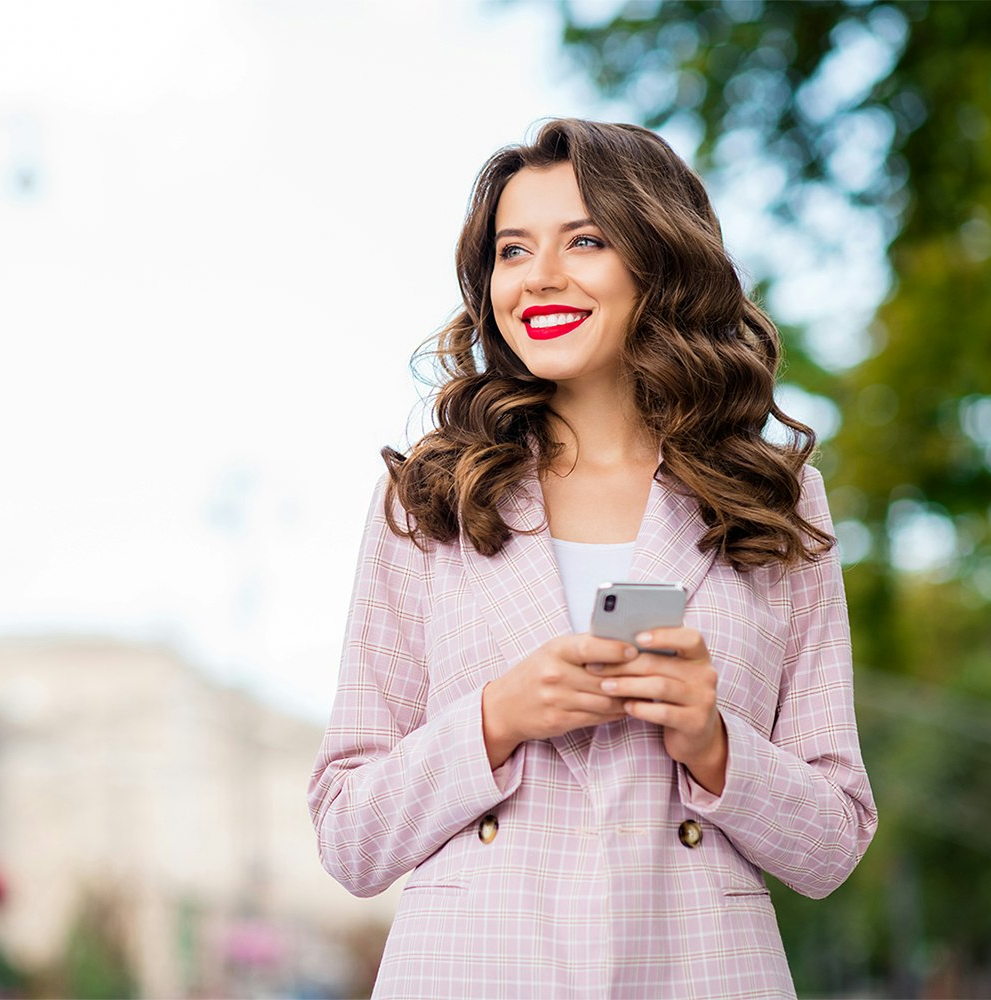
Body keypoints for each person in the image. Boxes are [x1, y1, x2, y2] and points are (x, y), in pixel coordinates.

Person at [308, 118, 877, 999]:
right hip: (474, 971)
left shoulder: (774, 499)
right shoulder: (429, 501)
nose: (539, 276)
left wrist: (713, 741)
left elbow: (835, 842)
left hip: (698, 968)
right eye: (512, 249)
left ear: (658, 258)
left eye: (585, 239)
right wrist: (497, 717)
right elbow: (348, 836)